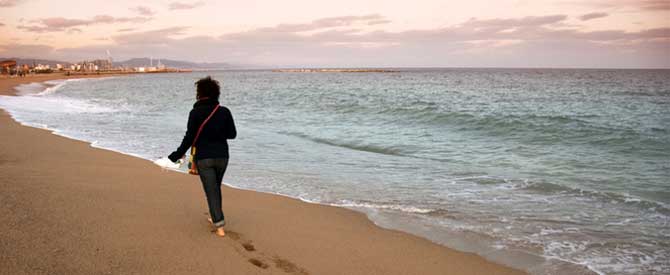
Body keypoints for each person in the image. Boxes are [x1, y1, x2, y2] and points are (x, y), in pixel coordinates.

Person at [168, 76, 237, 237]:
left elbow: (189, 137)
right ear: (216, 93)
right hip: (222, 157)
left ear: (200, 93)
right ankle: (214, 216)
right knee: (215, 187)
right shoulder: (224, 111)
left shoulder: (195, 112)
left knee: (211, 190)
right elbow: (232, 134)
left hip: (204, 158)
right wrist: (218, 131)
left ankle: (219, 225)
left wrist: (176, 155)